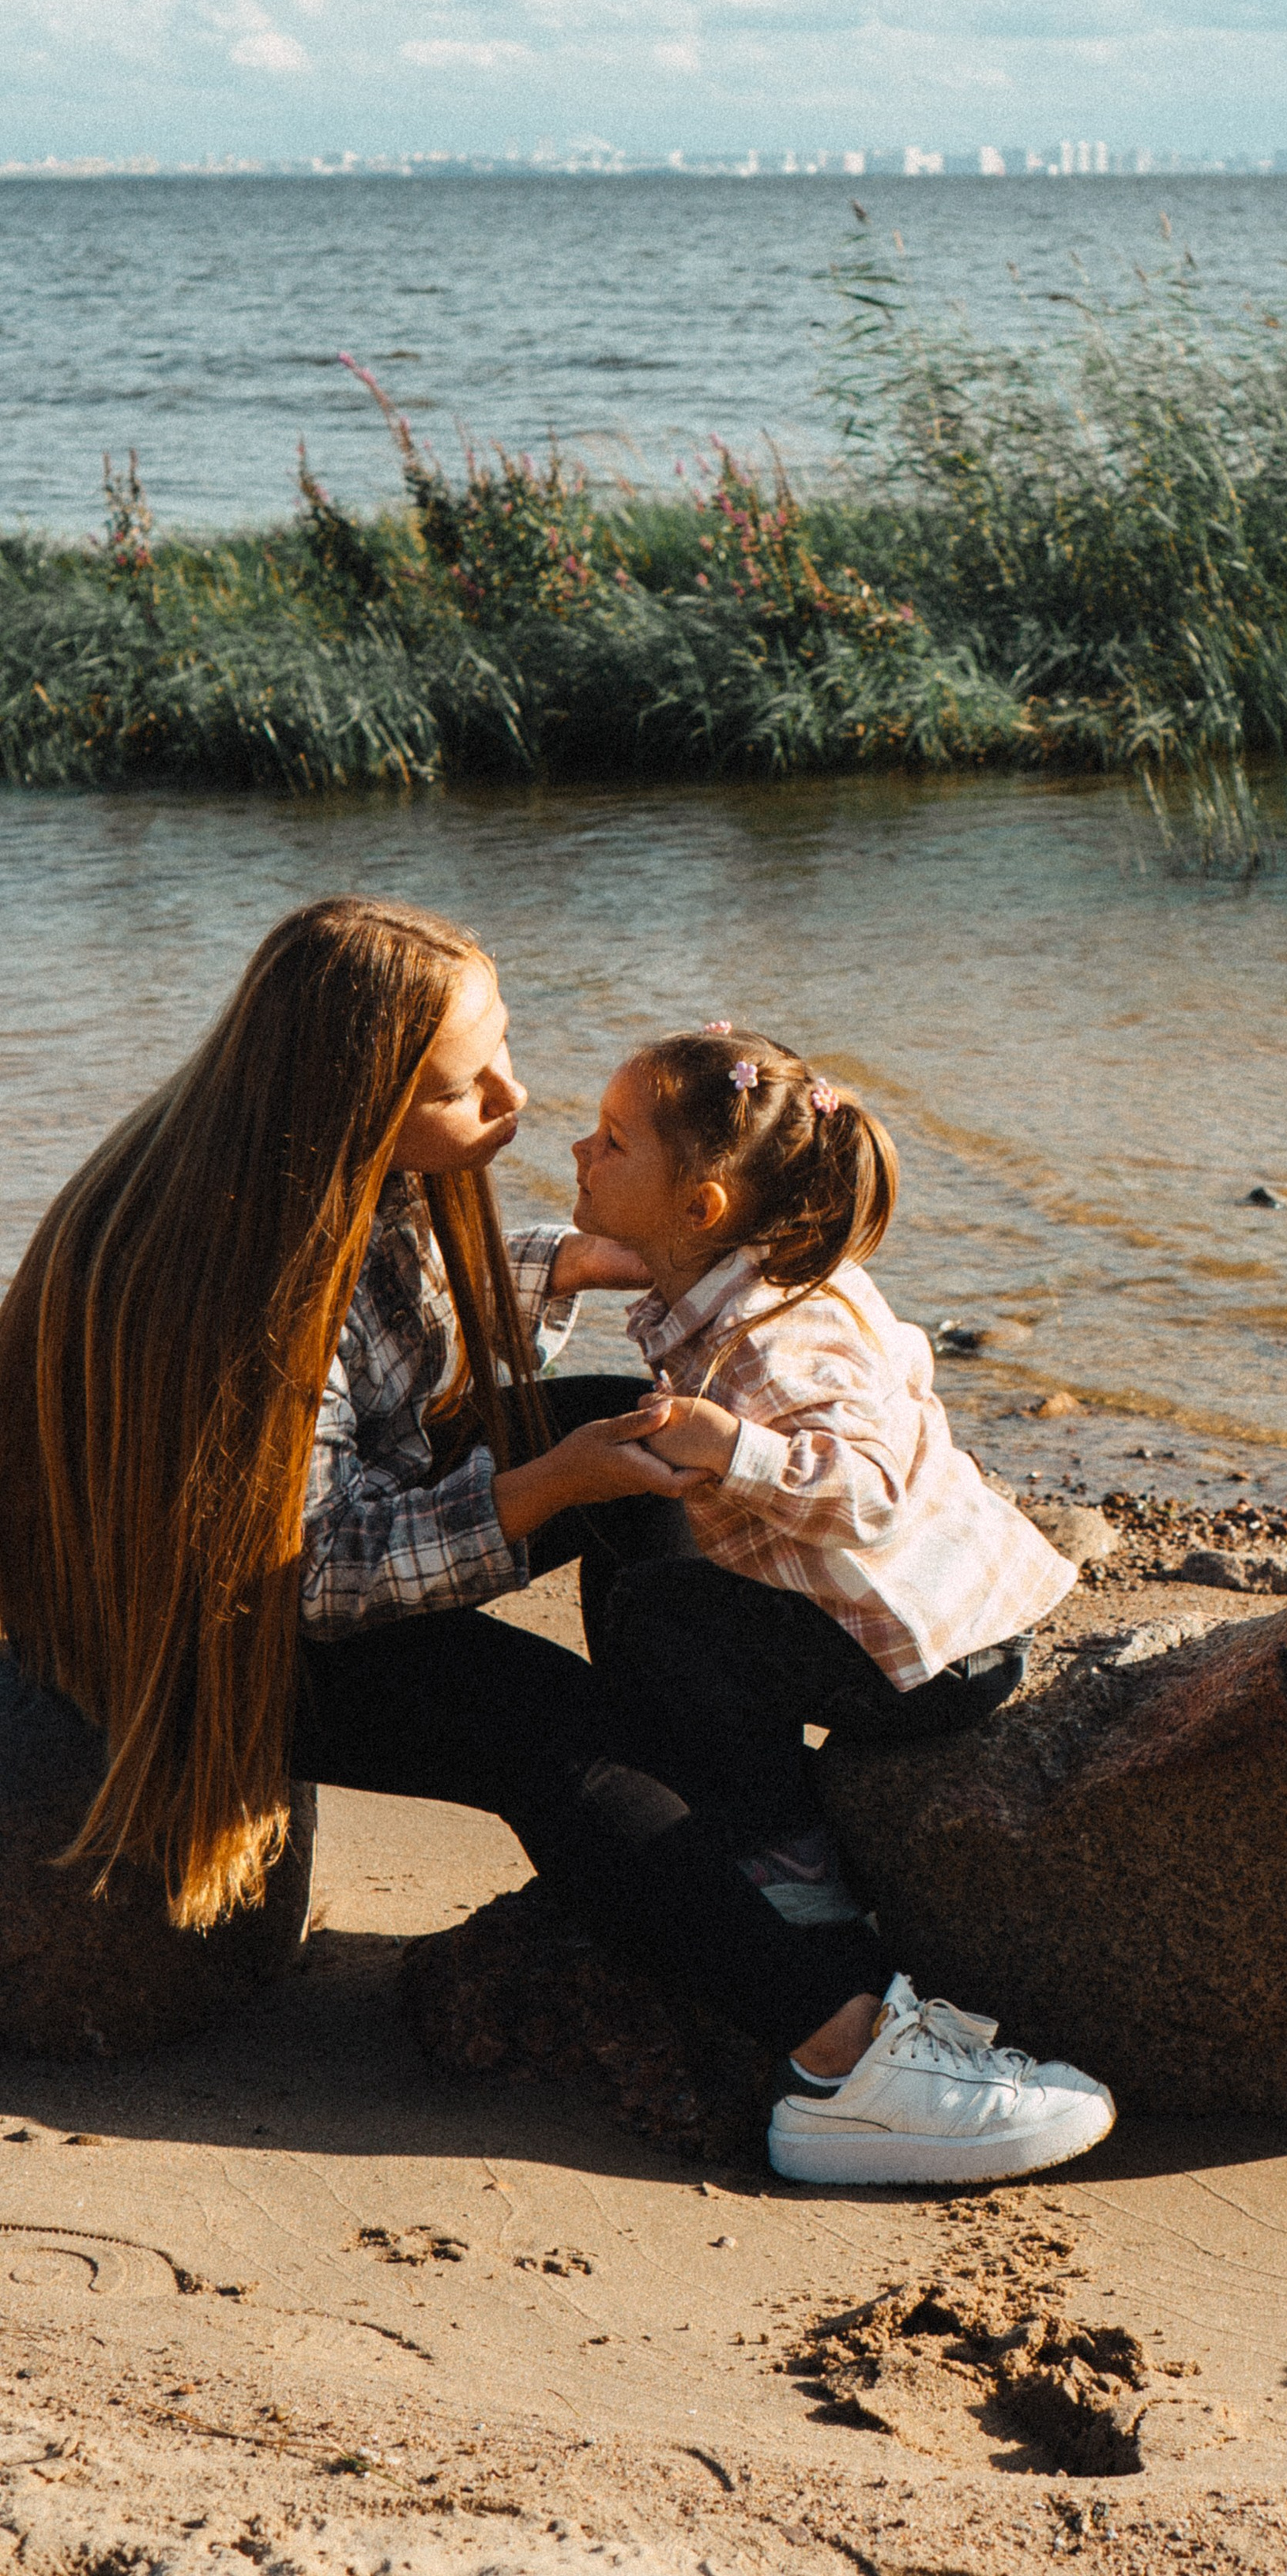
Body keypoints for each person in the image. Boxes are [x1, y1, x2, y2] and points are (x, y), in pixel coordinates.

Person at [0, 897, 1112, 2189]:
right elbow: (309, 1572)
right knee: (539, 1720)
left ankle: (741, 1834)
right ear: (356, 1102)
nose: (514, 1101)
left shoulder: (295, 1169)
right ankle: (839, 2055)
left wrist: (585, 1271)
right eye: (468, 1086)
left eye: (506, 1047)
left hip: (283, 1548)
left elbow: (390, 1302)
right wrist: (534, 1493)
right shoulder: (234, 1281)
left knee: (624, 1432)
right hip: (195, 1636)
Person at [566, 1022, 1107, 2183]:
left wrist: (741, 1452)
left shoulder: (770, 1347)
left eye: (610, 1144)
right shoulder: (772, 1273)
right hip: (958, 1610)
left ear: (703, 1207)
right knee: (645, 1555)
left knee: (664, 1614)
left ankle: (788, 1861)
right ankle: (686, 1787)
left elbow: (864, 1491)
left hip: (925, 1658)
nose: (578, 1151)